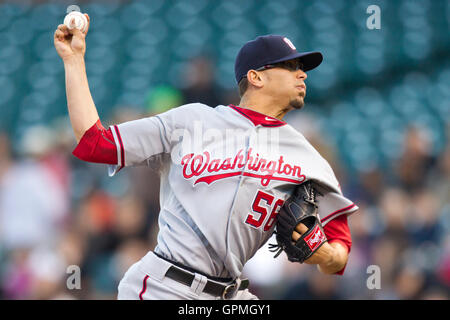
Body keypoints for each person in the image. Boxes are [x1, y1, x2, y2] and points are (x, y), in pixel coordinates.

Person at [54, 14, 358, 300]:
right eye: (290, 66)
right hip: (164, 286)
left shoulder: (308, 157)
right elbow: (93, 143)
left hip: (231, 292)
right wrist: (74, 61)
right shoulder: (191, 121)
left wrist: (325, 255)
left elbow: (340, 248)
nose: (302, 73)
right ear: (256, 77)